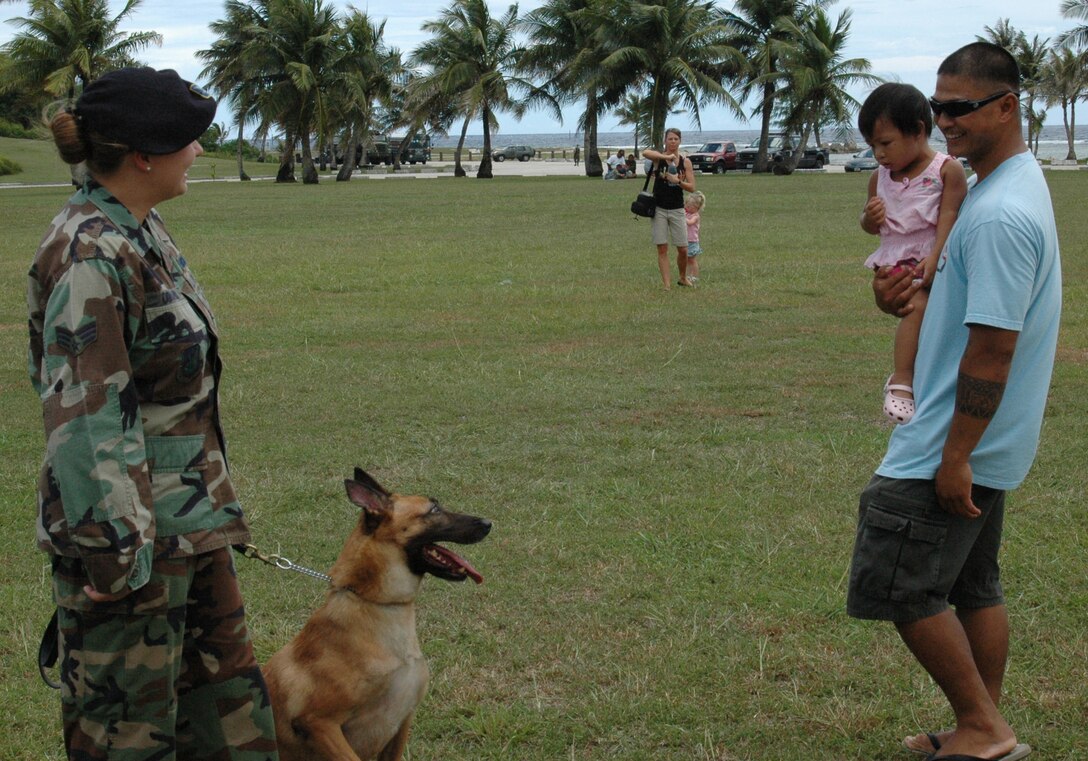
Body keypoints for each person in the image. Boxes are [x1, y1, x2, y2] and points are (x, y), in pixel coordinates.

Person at [27, 67, 279, 760]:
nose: (198, 151)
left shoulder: (140, 230)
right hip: (130, 548)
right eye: (188, 140)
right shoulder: (88, 255)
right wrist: (114, 558)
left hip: (188, 529)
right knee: (126, 739)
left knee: (230, 726)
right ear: (143, 155)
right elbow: (85, 421)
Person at [848, 42, 1061, 761]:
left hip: (953, 436)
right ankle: (981, 723)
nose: (942, 122)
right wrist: (895, 299)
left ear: (1008, 106)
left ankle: (985, 726)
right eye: (938, 107)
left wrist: (955, 454)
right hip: (986, 439)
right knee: (973, 584)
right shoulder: (1004, 185)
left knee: (899, 582)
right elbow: (952, 302)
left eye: (959, 108)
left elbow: (994, 349)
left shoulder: (1000, 214)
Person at [858, 83, 968, 424]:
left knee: (933, 320)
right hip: (898, 262)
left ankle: (918, 380)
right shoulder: (879, 178)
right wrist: (869, 220)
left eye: (886, 143)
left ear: (918, 131)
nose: (879, 154)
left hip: (932, 255)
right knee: (915, 309)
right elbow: (872, 224)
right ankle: (902, 378)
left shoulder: (946, 171)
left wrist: (936, 256)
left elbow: (948, 216)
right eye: (872, 146)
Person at [643, 127, 696, 288]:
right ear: (665, 140)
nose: (673, 141)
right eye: (670, 139)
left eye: (676, 139)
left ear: (680, 141)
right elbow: (646, 153)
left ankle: (682, 277)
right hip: (659, 208)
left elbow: (692, 187)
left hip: (677, 209)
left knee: (683, 249)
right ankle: (667, 285)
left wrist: (677, 181)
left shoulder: (685, 161)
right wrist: (666, 156)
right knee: (662, 248)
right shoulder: (659, 159)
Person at [684, 191, 706, 283]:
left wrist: (682, 217)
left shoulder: (695, 216)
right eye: (686, 205)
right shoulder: (687, 212)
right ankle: (689, 276)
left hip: (692, 241)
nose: (686, 207)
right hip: (686, 240)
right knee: (687, 260)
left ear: (696, 207)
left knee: (692, 260)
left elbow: (690, 223)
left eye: (689, 206)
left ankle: (695, 276)